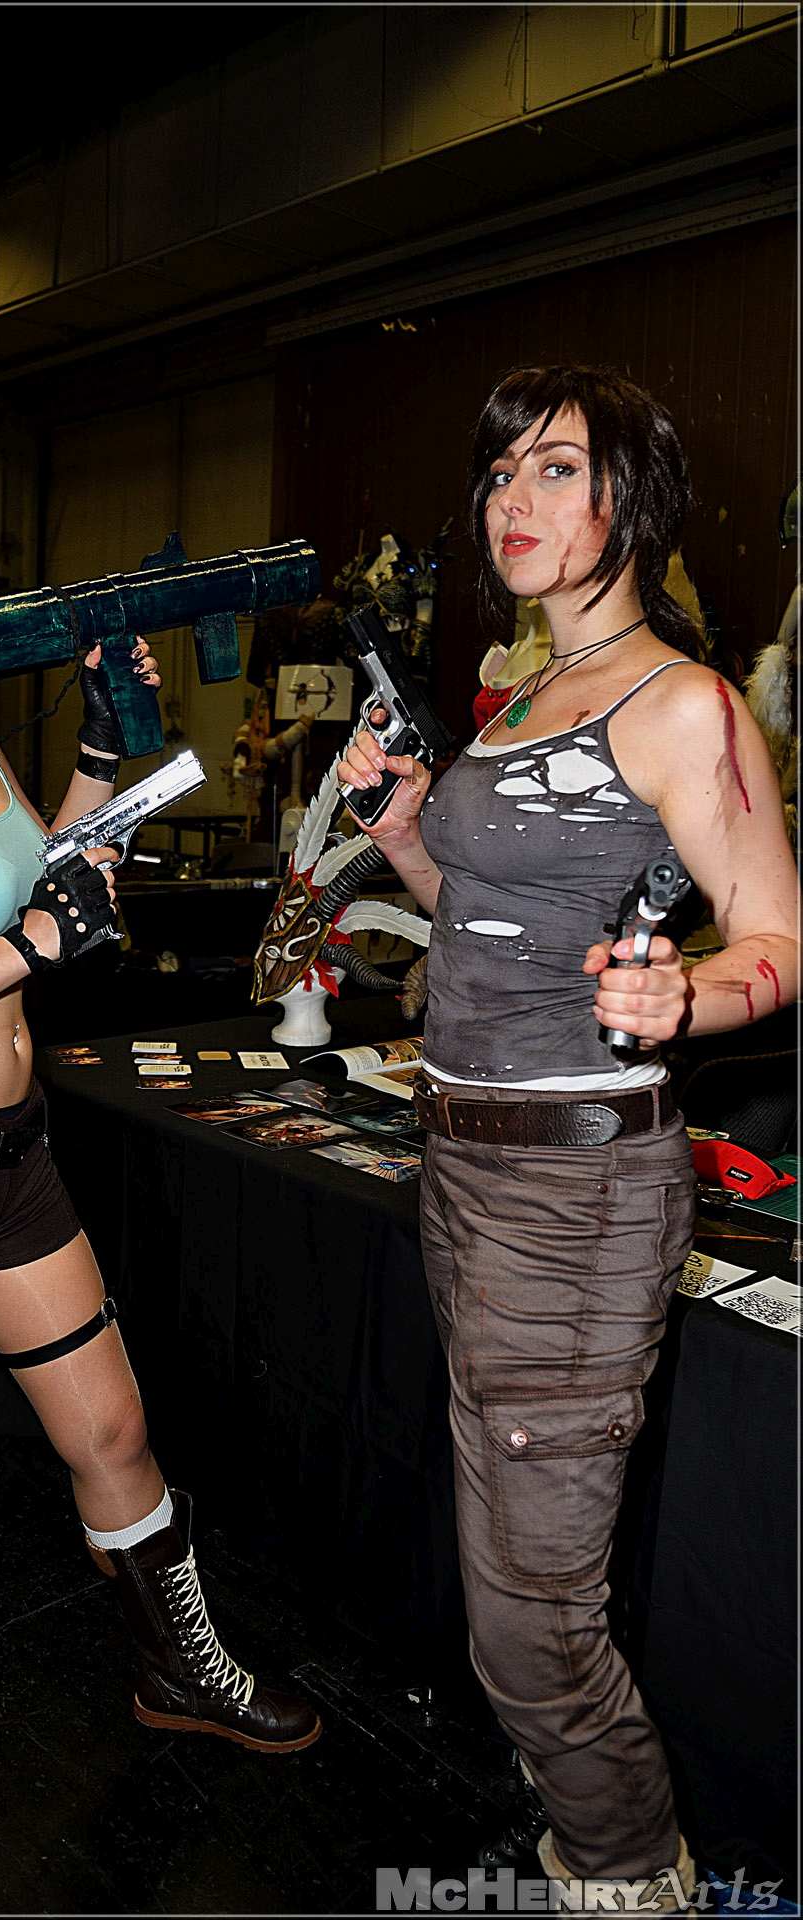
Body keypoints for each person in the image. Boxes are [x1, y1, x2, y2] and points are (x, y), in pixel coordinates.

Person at [0, 460, 320, 1858]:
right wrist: (29, 947)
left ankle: (179, 1666)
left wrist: (98, 761)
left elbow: (24, 888)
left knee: (114, 1432)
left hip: (15, 1163)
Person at [338, 366, 798, 1909]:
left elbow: (780, 938)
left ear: (632, 501)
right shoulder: (528, 691)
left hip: (576, 1194)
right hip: (465, 1165)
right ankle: (589, 1843)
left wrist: (689, 993)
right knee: (509, 1569)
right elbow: (482, 913)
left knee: (532, 1618)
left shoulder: (683, 705)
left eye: (553, 470)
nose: (511, 503)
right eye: (498, 476)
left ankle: (628, 1873)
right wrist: (402, 832)